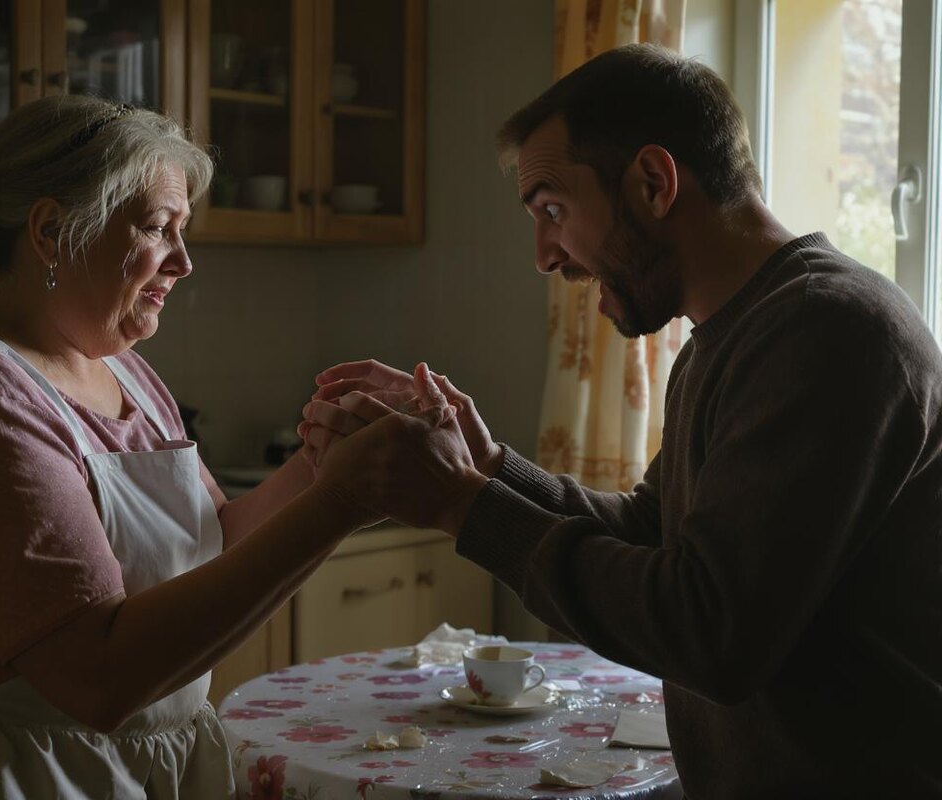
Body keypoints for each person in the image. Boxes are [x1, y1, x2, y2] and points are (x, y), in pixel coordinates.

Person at [300, 43, 942, 799]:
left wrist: (460, 503)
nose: (545, 256)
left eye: (552, 210)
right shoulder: (731, 338)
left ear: (653, 183)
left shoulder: (827, 332)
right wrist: (488, 467)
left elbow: (708, 630)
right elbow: (652, 532)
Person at [0, 95, 409, 799]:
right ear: (51, 232)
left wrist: (322, 464)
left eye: (183, 232)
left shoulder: (121, 369)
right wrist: (342, 503)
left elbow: (217, 541)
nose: (184, 262)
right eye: (158, 229)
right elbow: (97, 675)